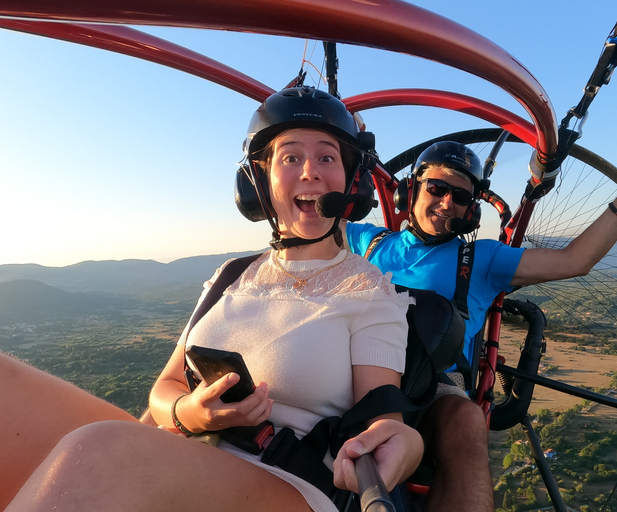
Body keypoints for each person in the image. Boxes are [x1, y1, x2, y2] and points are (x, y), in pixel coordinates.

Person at [2, 86, 423, 512]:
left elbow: (382, 419)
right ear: (260, 181)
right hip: (183, 452)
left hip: (290, 483)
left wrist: (405, 443)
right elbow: (164, 389)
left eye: (327, 157)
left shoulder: (370, 290)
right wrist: (191, 412)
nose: (310, 171)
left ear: (352, 181)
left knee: (103, 449)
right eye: (291, 157)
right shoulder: (231, 274)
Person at [343, 134, 617, 512]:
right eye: (436, 187)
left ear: (471, 210)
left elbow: (574, 261)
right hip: (353, 367)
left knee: (467, 419)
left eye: (462, 196)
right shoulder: (363, 241)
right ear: (411, 191)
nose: (447, 202)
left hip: (434, 383)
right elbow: (300, 234)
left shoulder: (482, 259)